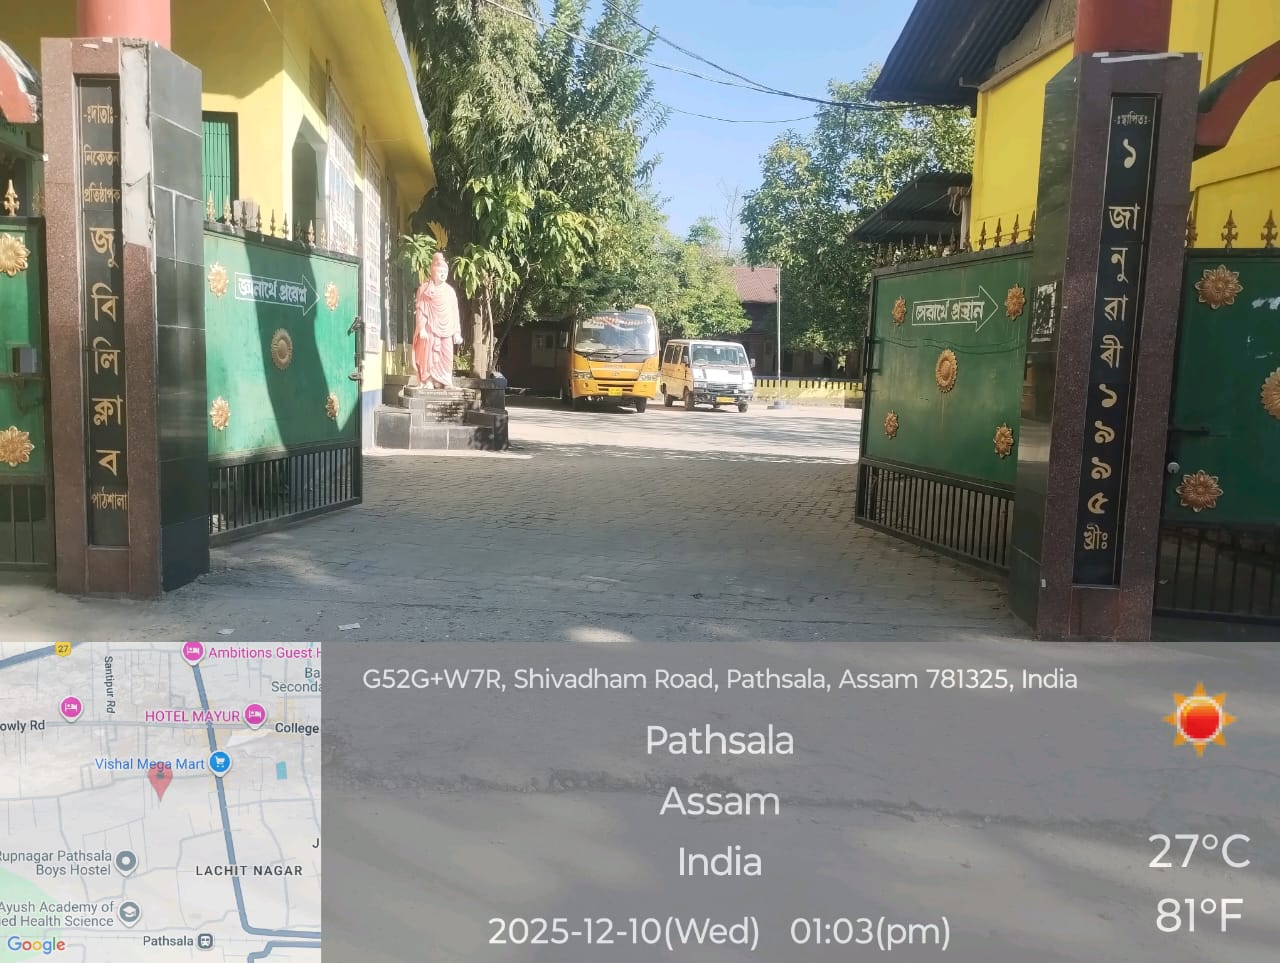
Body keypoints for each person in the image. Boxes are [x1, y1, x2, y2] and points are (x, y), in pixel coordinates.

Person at [413, 252, 463, 388]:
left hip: (447, 329)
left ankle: (444, 380)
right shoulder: (425, 289)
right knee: (428, 355)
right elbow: (420, 309)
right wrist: (421, 328)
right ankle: (428, 379)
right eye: (440, 271)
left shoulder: (450, 291)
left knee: (447, 355)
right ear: (433, 271)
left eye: (445, 272)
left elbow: (455, 313)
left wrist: (457, 332)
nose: (442, 274)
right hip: (429, 327)